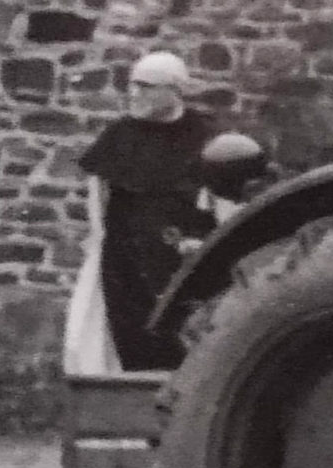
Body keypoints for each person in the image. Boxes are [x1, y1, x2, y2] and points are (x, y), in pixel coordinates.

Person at [68, 51, 221, 372]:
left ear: (174, 90)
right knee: (130, 336)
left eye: (145, 86)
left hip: (183, 256)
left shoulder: (203, 135)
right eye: (133, 85)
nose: (134, 93)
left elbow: (219, 197)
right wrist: (98, 237)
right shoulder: (120, 134)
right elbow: (98, 191)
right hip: (127, 258)